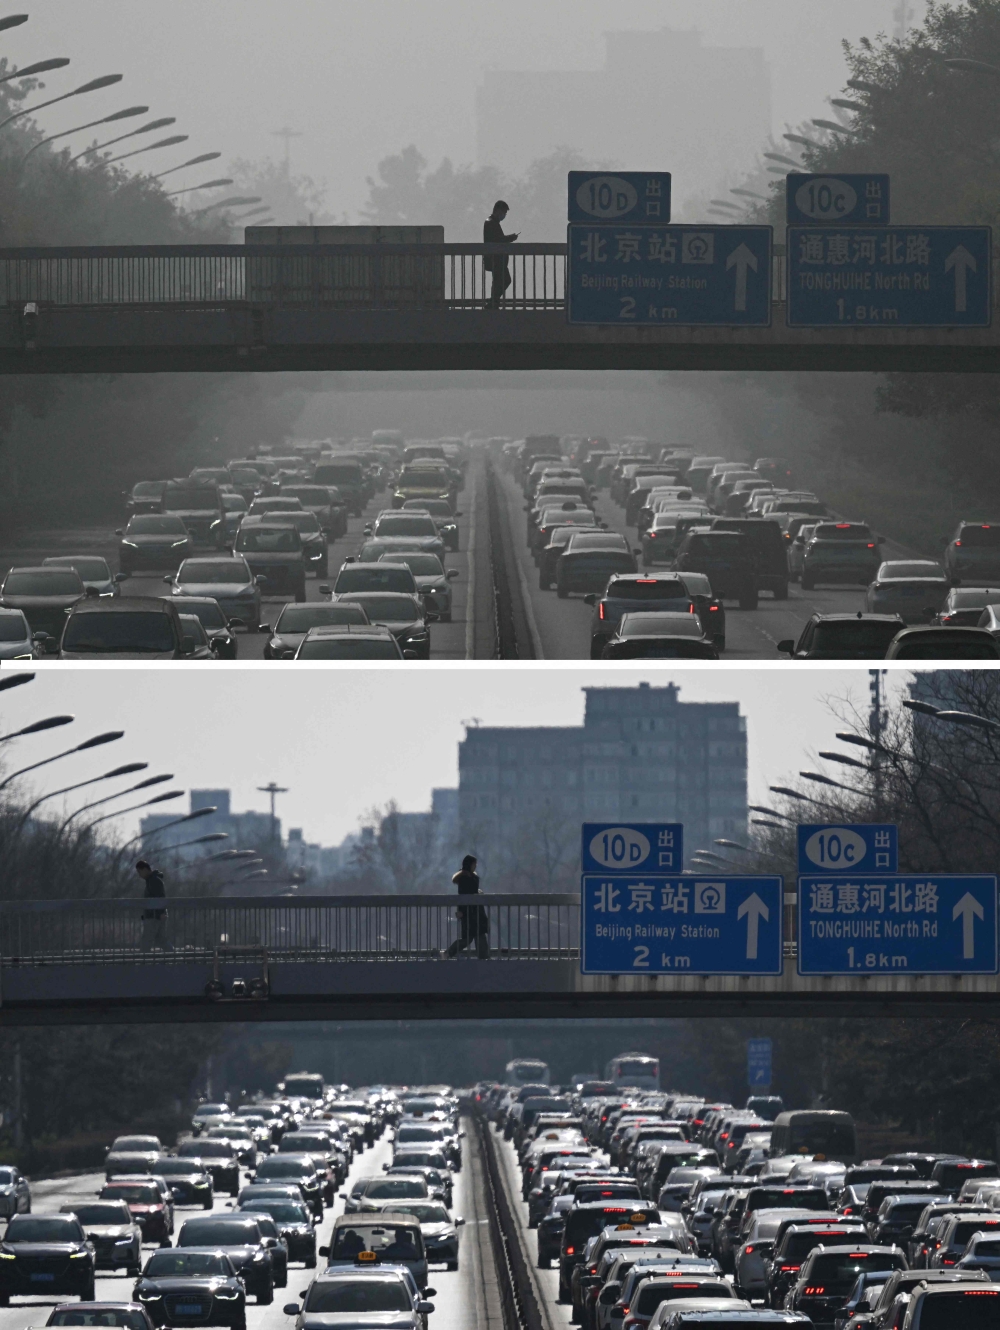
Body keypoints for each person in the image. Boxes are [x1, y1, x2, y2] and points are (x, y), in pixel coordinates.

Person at [444, 854, 490, 959]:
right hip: (471, 912)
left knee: (473, 936)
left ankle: (448, 953)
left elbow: (466, 894)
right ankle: (484, 957)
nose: (475, 866)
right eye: (474, 864)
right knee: (474, 935)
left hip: (472, 911)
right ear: (469, 864)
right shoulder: (466, 878)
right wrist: (461, 910)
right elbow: (463, 895)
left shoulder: (468, 877)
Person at [484, 200, 518, 307]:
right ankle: (493, 300)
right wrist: (511, 238)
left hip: (497, 258)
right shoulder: (491, 222)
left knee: (499, 280)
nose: (504, 215)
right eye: (504, 212)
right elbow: (498, 239)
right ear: (498, 211)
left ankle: (493, 301)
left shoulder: (492, 222)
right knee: (504, 279)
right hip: (495, 258)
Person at [135, 859, 170, 951]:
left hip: (154, 916)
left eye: (139, 871)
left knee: (146, 940)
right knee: (161, 940)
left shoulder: (153, 881)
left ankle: (143, 962)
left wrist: (161, 912)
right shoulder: (152, 880)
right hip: (156, 915)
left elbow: (160, 897)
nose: (139, 875)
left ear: (145, 869)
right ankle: (176, 958)